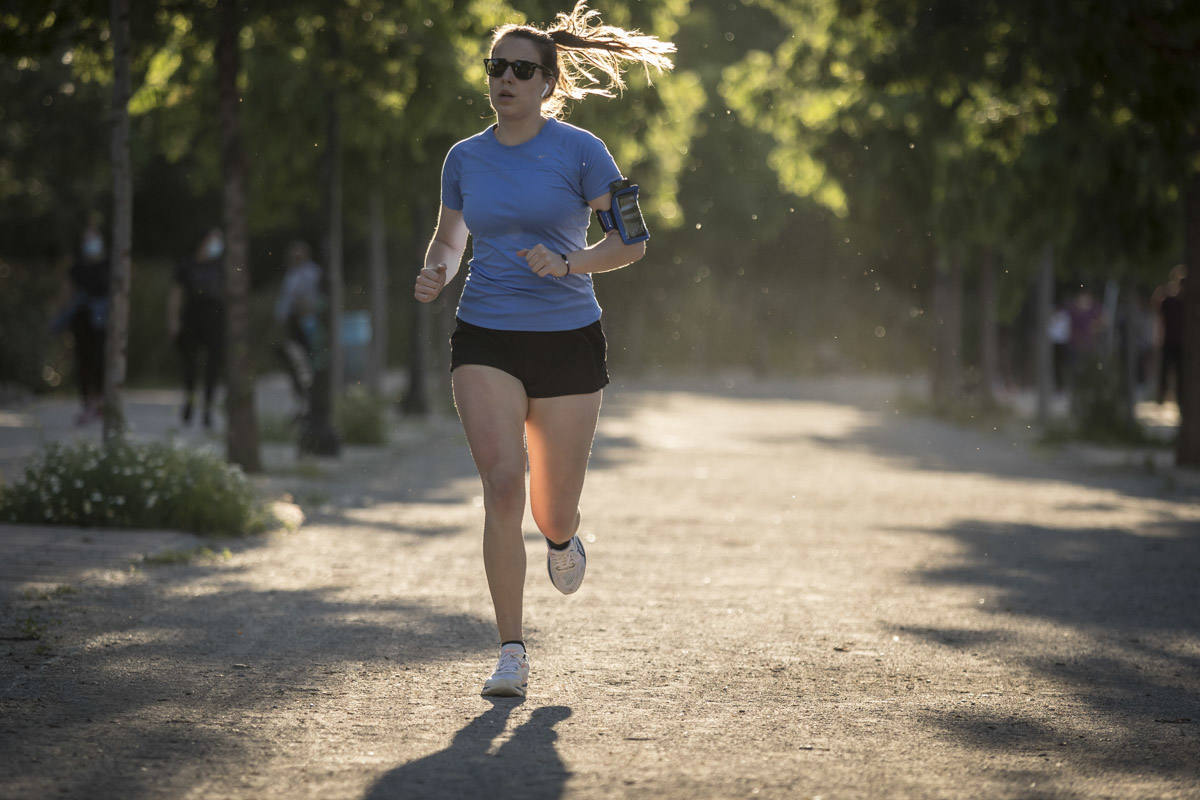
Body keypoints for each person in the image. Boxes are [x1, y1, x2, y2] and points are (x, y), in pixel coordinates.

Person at [412, 1, 674, 698]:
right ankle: (511, 651)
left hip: (567, 339)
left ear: (548, 83)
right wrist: (437, 270)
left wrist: (569, 263)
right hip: (485, 333)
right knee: (503, 484)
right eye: (496, 66)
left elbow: (633, 241)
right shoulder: (464, 158)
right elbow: (450, 237)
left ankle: (561, 538)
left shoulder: (583, 151)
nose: (505, 79)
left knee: (551, 509)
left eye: (521, 70)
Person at [168, 228, 226, 428]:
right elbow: (176, 294)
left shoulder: (221, 266)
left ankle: (208, 408)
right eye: (213, 240)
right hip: (192, 316)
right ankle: (190, 402)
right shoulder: (187, 265)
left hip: (215, 317)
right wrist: (173, 320)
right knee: (189, 364)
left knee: (213, 365)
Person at [55, 217, 109, 425]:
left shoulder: (108, 265)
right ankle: (88, 404)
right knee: (83, 361)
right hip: (82, 319)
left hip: (102, 320)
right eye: (87, 239)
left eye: (94, 238)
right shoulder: (77, 267)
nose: (91, 243)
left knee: (100, 360)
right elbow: (66, 292)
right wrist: (61, 315)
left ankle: (101, 402)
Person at [274, 241, 323, 415]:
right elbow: (286, 300)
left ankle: (313, 398)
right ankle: (301, 398)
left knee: (310, 359)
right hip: (294, 321)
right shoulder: (291, 275)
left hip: (309, 320)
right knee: (296, 360)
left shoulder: (313, 273)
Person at [1156, 265, 1185, 405]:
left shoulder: (1185, 302)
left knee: (1179, 374)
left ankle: (1178, 398)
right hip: (1170, 341)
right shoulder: (1169, 300)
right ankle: (1163, 396)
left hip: (1180, 343)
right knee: (1166, 371)